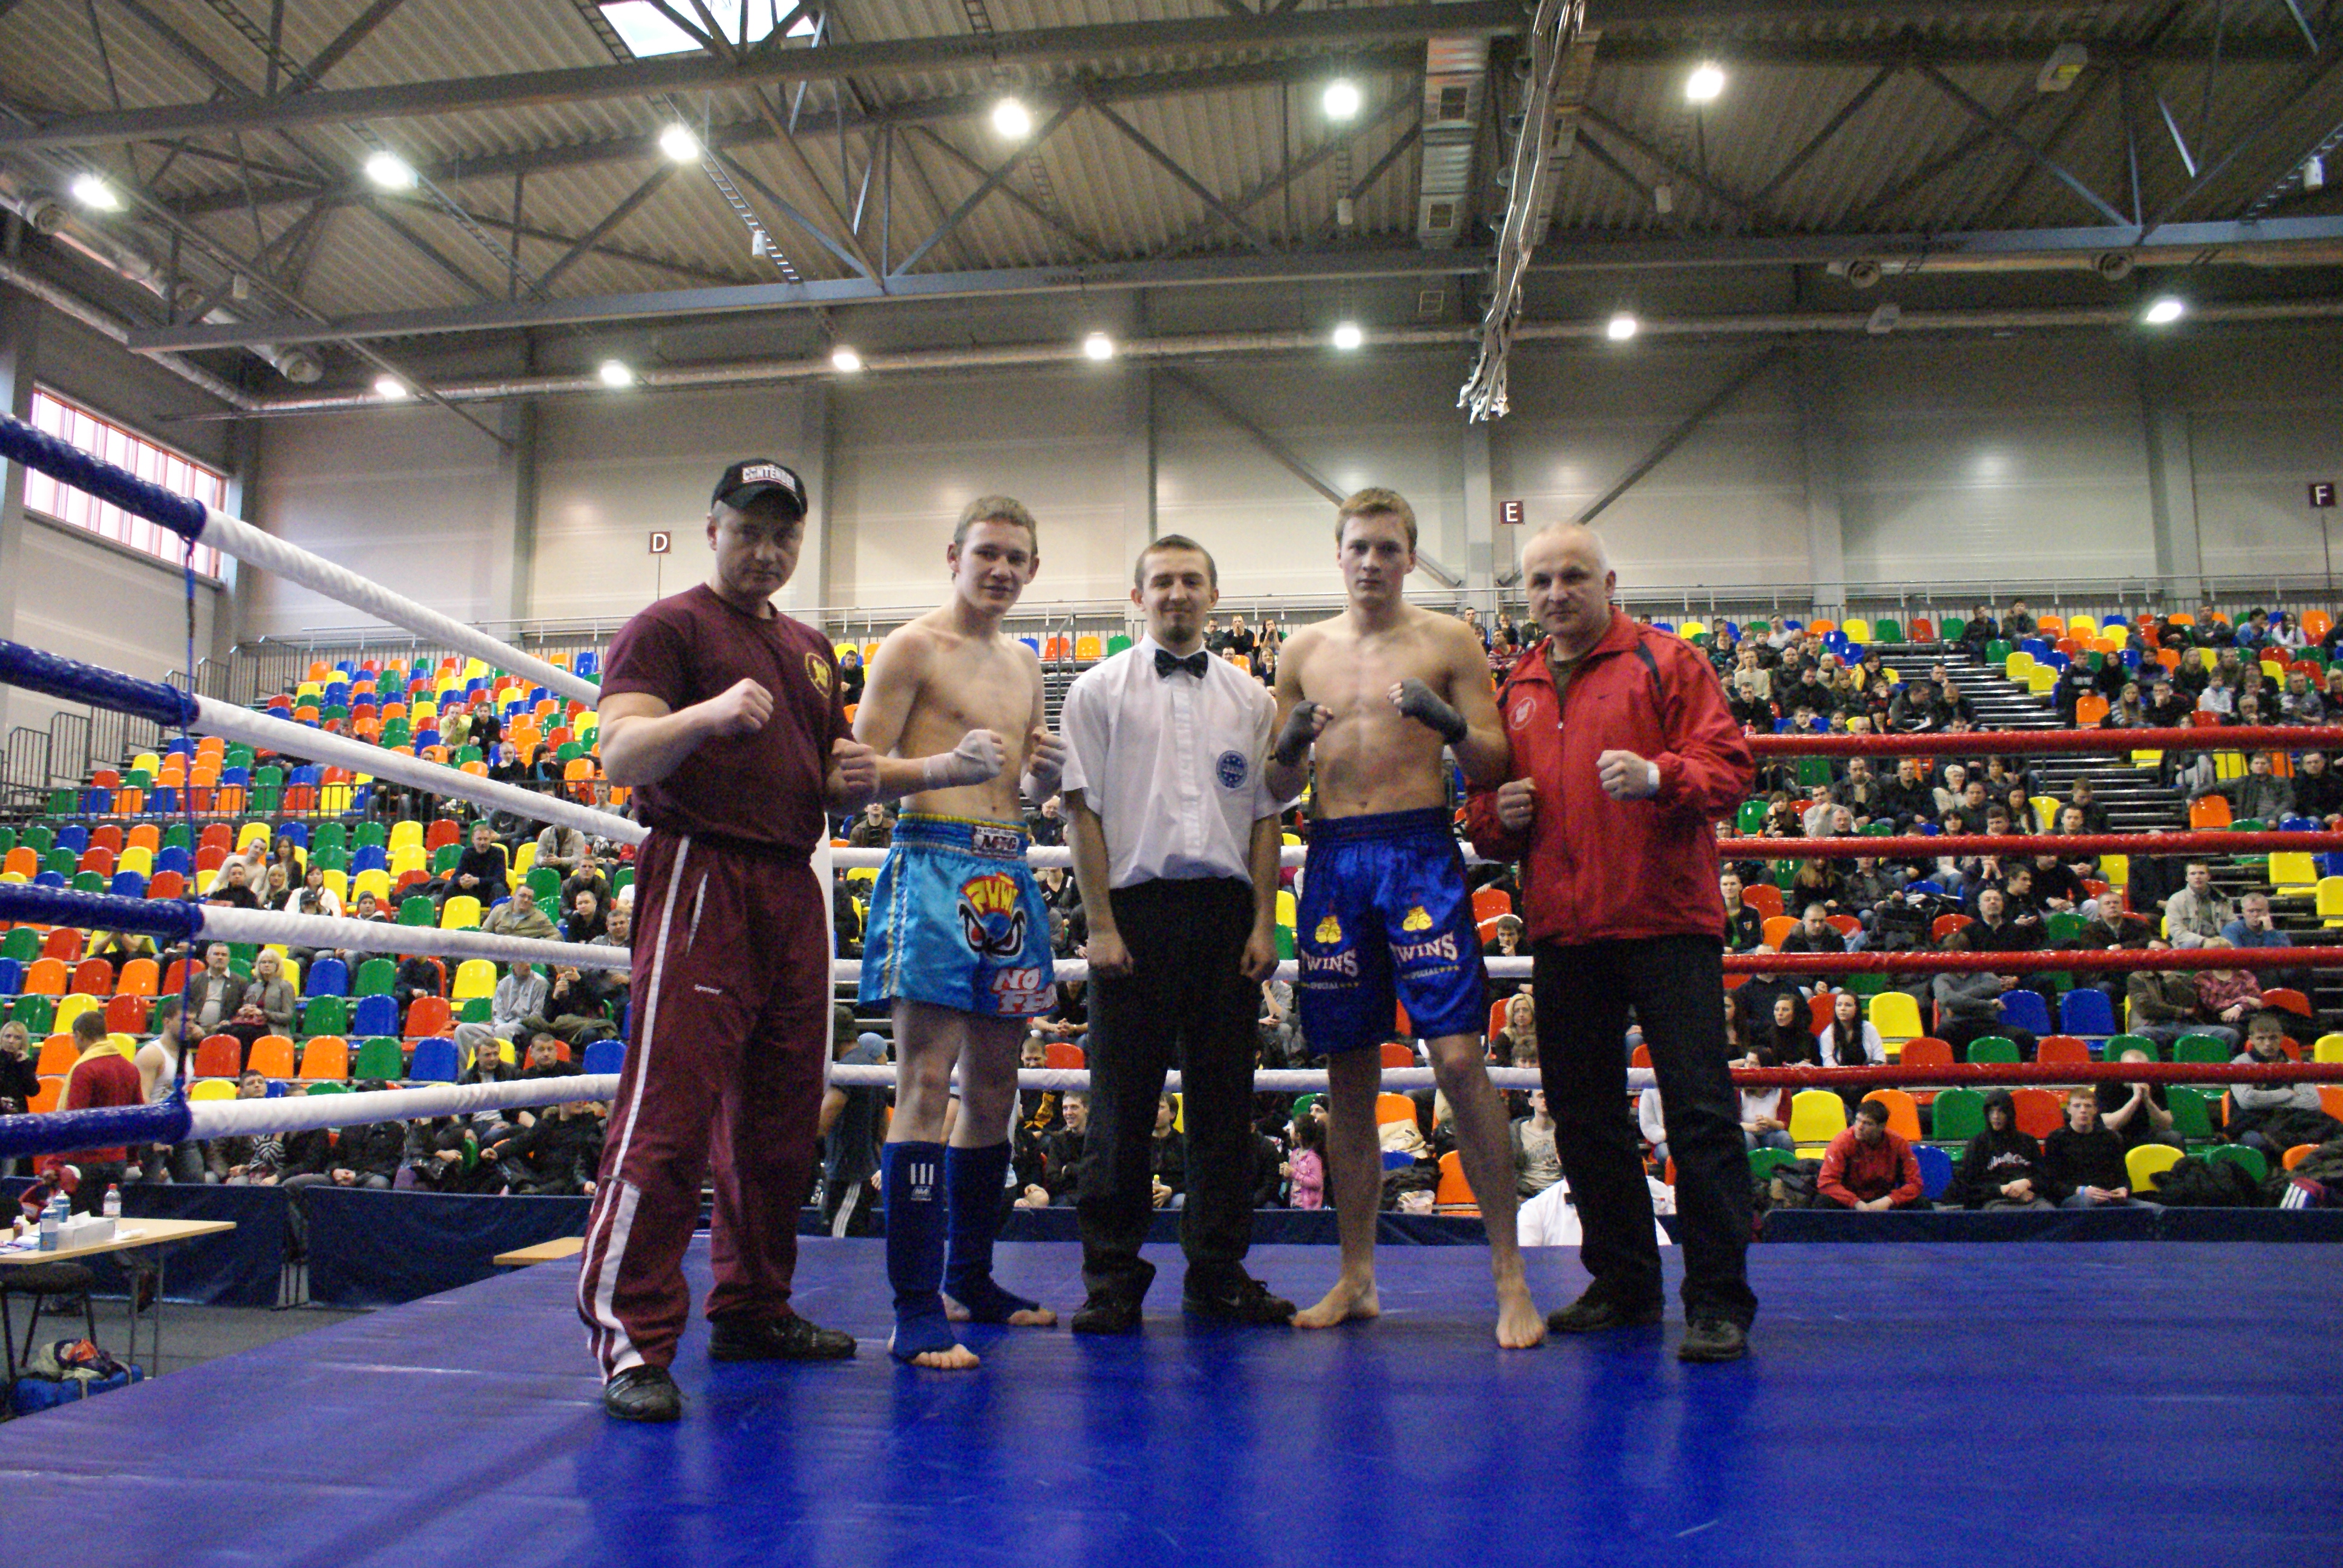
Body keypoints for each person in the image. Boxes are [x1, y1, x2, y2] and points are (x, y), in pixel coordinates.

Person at [573, 457, 884, 1423]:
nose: (767, 550)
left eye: (784, 534)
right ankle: (631, 1341)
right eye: (749, 530)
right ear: (712, 531)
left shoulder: (811, 648)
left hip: (792, 883)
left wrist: (862, 780)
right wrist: (708, 714)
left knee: (780, 1121)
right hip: (703, 873)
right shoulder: (667, 627)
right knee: (669, 1118)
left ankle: (753, 1306)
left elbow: (824, 778)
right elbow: (620, 753)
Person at [1463, 520, 1757, 1362]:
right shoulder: (1517, 683)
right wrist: (1497, 815)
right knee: (1585, 1118)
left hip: (1667, 922)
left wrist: (1662, 775)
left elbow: (1732, 769)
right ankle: (1625, 1285)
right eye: (1541, 581)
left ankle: (1717, 1301)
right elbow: (1485, 815)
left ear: (1608, 582)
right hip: (1567, 928)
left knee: (1698, 1113)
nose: (1557, 593)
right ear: (1524, 593)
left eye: (1573, 577)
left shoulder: (1668, 662)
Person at [1274, 488, 1541, 1350]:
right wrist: (1290, 741)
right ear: (1338, 554)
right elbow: (1275, 785)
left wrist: (1446, 720)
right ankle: (1356, 1277)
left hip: (1420, 853)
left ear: (1410, 557)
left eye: (1388, 548)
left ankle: (1509, 1278)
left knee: (1459, 1060)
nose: (1371, 561)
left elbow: (1493, 761)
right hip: (1333, 857)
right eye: (1358, 546)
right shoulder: (1302, 650)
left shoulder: (1449, 639)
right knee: (1349, 1077)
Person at [1057, 535, 1292, 1334]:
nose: (1177, 593)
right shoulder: (1095, 691)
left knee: (1225, 1107)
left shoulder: (1250, 698)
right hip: (1133, 912)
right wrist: (1098, 923)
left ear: (1214, 596)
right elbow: (1080, 812)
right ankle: (1111, 1281)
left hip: (1224, 913)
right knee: (1120, 1106)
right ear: (1138, 597)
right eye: (1162, 581)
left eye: (1192, 580)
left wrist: (1262, 921)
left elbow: (1265, 818)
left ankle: (1217, 1276)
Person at [853, 495, 1067, 1369]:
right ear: (954, 556)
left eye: (1017, 558)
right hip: (932, 862)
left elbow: (1019, 784)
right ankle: (913, 1308)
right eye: (987, 554)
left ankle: (970, 1279)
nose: (1001, 570)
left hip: (1006, 868)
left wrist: (1044, 779)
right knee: (924, 1081)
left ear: (1033, 569)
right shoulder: (912, 647)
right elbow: (850, 772)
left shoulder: (1025, 664)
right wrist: (942, 766)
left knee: (995, 1087)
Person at [1942, 1090, 2053, 1209]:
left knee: (2048, 1211)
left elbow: (2045, 1178)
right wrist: (2002, 1190)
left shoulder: (2028, 1142)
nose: (1995, 1117)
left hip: (2030, 1198)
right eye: (1991, 1111)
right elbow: (1969, 1185)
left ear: (2009, 1113)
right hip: (1995, 1201)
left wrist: (2028, 1182)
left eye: (2001, 1111)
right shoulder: (1978, 1144)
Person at [2043, 1088, 2153, 1208]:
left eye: (2088, 1106)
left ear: (2095, 1110)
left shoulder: (2110, 1137)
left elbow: (2122, 1175)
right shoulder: (2056, 1138)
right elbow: (2051, 1183)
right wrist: (2081, 1191)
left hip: (2109, 1195)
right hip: (2075, 1197)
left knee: (2155, 1210)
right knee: (2088, 1203)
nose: (2083, 1110)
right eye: (2077, 1106)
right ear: (2069, 1109)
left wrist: (2124, 1189)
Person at [1814, 1100, 1923, 1211]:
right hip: (1849, 1201)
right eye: (1858, 1120)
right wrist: (1855, 1203)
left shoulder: (1898, 1144)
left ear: (1881, 1127)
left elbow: (1915, 1184)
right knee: (1823, 1202)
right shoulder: (1841, 1143)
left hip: (1884, 1200)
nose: (1859, 1127)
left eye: (1868, 1123)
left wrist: (1890, 1200)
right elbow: (1827, 1183)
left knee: (1921, 1203)